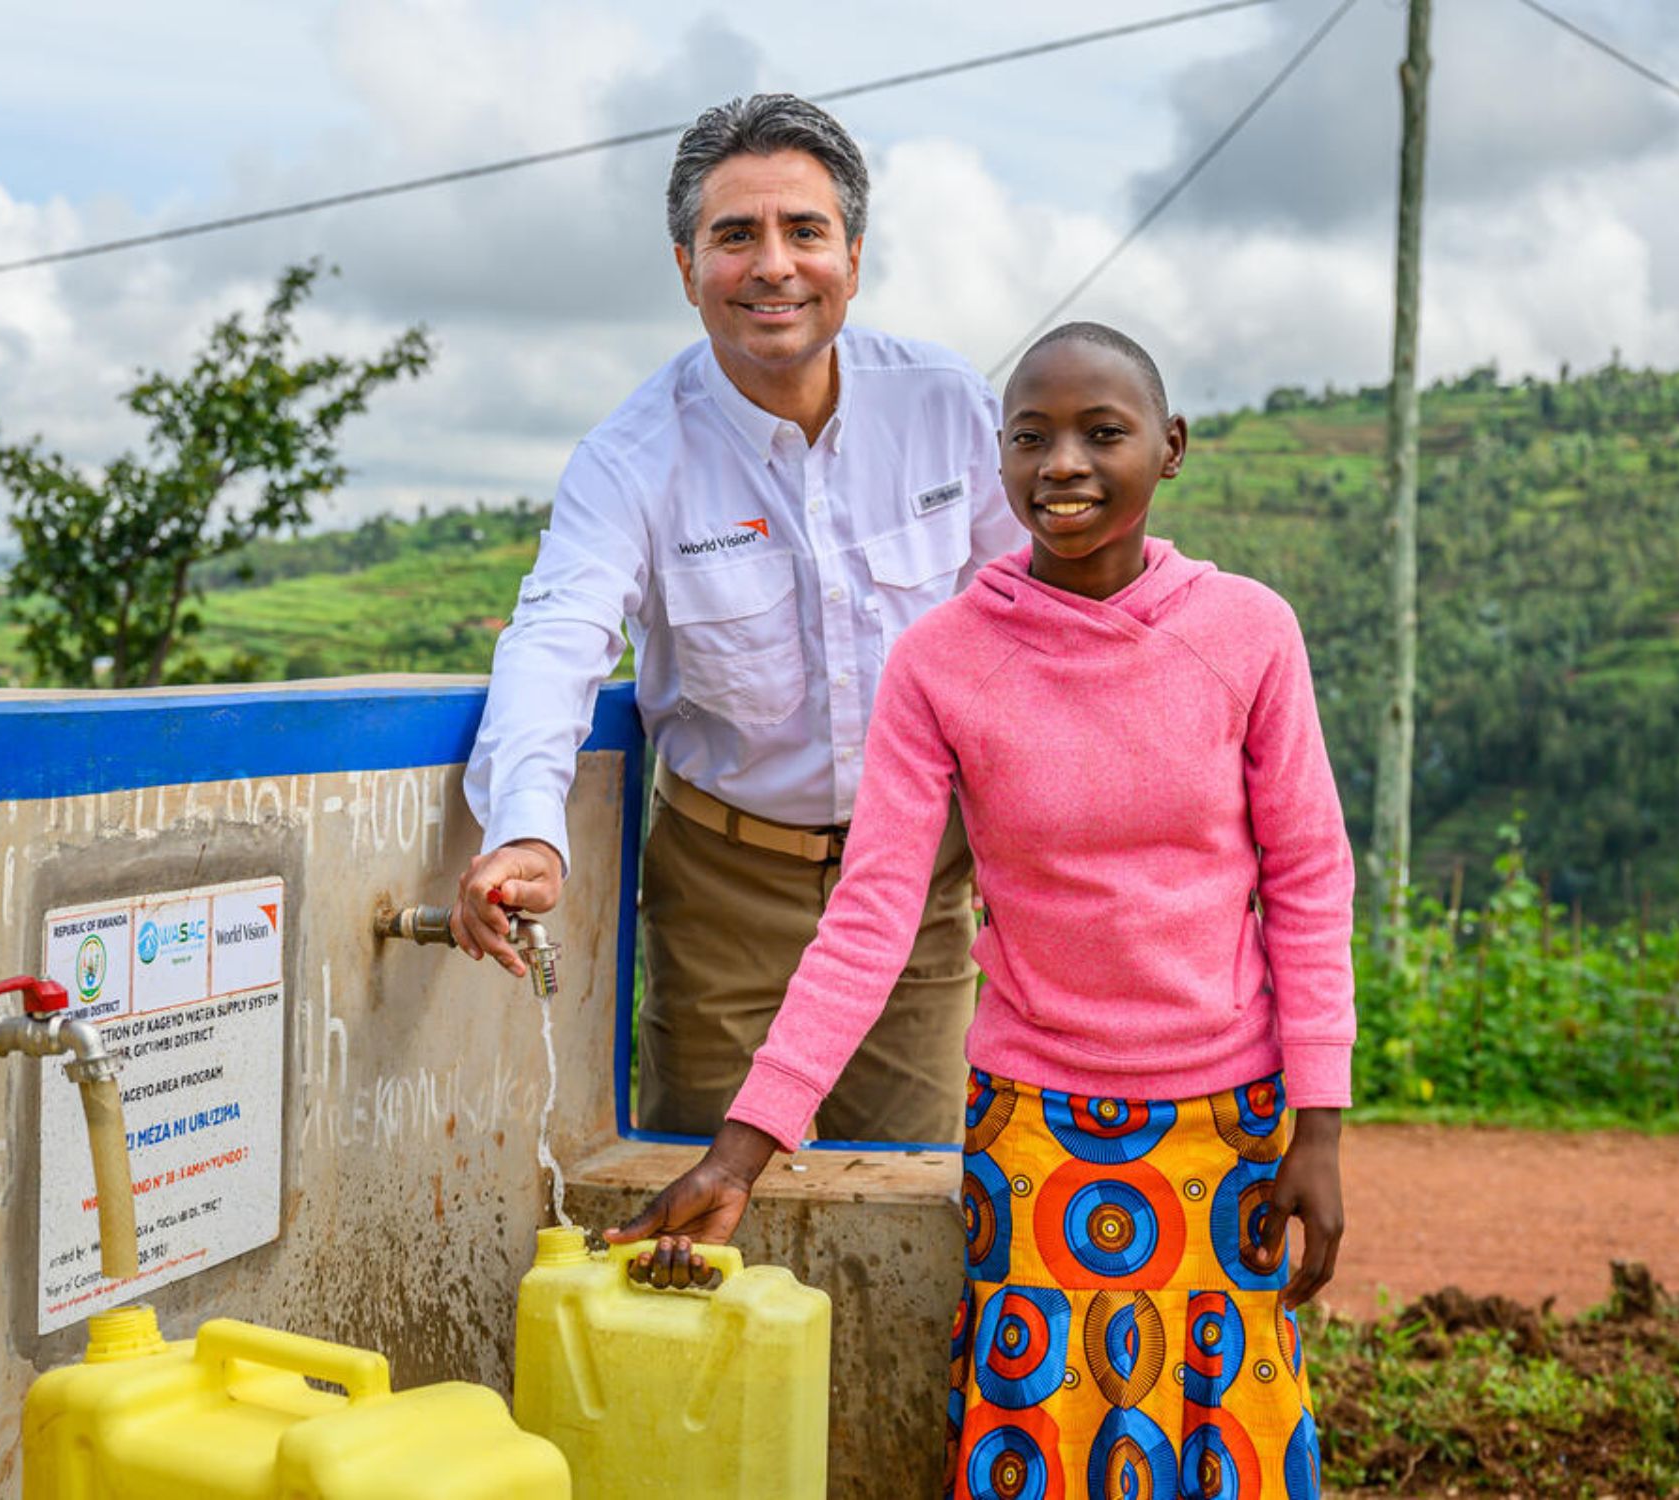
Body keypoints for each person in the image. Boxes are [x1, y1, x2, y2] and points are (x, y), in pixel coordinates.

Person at [608, 323, 1354, 1492]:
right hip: (1036, 1122)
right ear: (997, 462)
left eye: (1100, 433)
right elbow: (871, 917)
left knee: (1224, 1436)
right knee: (1043, 1432)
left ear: (1170, 449)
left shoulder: (1246, 633)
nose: (1060, 463)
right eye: (1028, 438)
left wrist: (1317, 1122)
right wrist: (743, 1152)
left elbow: (1308, 880)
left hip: (1227, 1118)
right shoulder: (942, 661)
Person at [451, 93, 1023, 1141]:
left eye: (804, 231)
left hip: (912, 886)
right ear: (684, 268)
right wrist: (526, 829)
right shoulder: (630, 458)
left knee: (914, 1196)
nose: (772, 265)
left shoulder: (946, 406)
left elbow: (1024, 624)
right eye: (734, 236)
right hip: (723, 894)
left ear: (851, 255)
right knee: (706, 1208)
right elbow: (557, 638)